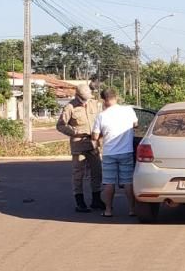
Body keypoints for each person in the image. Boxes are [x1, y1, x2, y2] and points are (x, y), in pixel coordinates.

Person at [57, 84, 104, 213]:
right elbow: (60, 125)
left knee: (97, 172)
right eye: (83, 98)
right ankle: (80, 201)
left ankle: (96, 199)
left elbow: (101, 121)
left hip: (93, 143)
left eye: (87, 97)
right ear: (77, 96)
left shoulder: (95, 104)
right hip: (78, 144)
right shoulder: (70, 107)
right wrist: (74, 132)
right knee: (78, 174)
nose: (86, 100)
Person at [92, 88, 138, 217]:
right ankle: (132, 209)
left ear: (103, 100)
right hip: (127, 151)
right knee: (128, 181)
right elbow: (135, 124)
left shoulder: (102, 115)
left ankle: (108, 210)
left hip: (109, 153)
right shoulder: (129, 110)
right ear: (116, 97)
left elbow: (95, 136)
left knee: (109, 182)